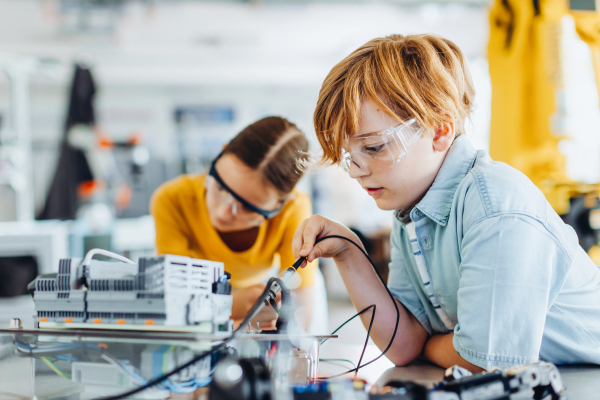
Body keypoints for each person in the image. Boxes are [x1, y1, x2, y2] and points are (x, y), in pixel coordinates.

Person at [293, 34, 600, 372]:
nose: (356, 171)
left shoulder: (494, 204)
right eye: (349, 156)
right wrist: (348, 251)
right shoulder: (410, 207)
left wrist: (433, 344)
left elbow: (484, 362)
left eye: (375, 147)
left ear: (439, 130)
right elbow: (404, 343)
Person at [151, 116, 318, 330]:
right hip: (199, 305)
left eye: (248, 207)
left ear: (281, 204)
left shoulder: (294, 209)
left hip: (249, 303)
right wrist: (228, 307)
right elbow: (173, 303)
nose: (223, 212)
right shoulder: (172, 199)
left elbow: (300, 314)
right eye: (221, 188)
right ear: (221, 153)